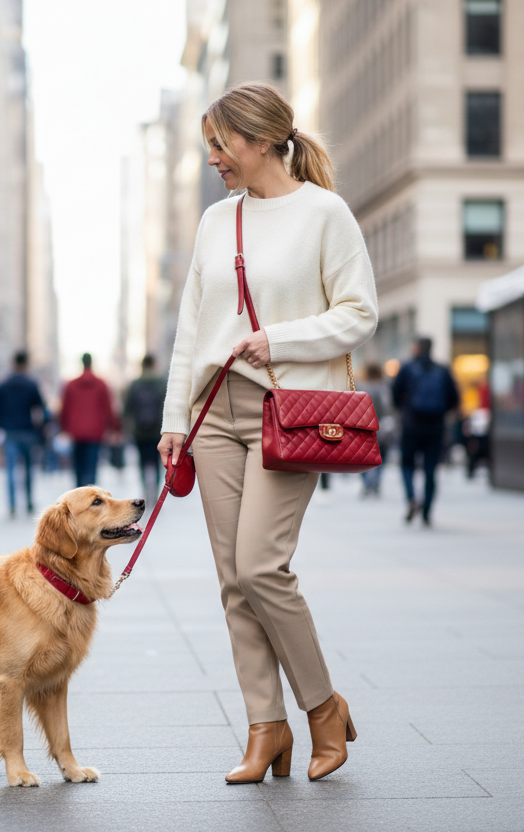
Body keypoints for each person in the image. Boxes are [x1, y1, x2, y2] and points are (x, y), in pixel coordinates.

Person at [158, 83, 377, 784]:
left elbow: (358, 312)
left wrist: (275, 340)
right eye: (210, 146)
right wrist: (174, 422)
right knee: (232, 581)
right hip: (213, 414)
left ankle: (322, 708)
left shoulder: (325, 214)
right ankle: (266, 728)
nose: (214, 157)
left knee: (259, 566)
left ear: (260, 141)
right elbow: (192, 327)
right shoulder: (217, 221)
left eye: (222, 144)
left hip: (290, 413)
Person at [391, 337, 459, 526]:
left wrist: (405, 410)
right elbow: (454, 399)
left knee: (407, 465)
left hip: (411, 425)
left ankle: (412, 498)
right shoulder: (442, 369)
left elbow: (395, 394)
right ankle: (427, 510)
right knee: (431, 468)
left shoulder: (406, 367)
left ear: (417, 347)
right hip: (435, 426)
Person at [0, 351, 48, 517]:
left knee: (10, 469)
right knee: (29, 469)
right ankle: (29, 502)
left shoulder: (3, 385)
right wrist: (40, 427)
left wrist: (1, 424)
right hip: (28, 431)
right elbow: (40, 408)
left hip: (10, 431)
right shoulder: (31, 384)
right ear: (26, 364)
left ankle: (12, 505)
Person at [61, 353, 119, 487]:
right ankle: (91, 501)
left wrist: (64, 428)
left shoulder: (71, 385)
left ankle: (79, 499)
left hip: (75, 432)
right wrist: (114, 428)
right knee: (91, 468)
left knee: (78, 469)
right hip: (95, 432)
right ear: (91, 363)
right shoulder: (101, 384)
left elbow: (64, 409)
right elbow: (109, 408)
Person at [124, 355, 166, 507]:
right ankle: (154, 492)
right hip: (158, 431)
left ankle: (144, 489)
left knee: (142, 461)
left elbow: (128, 408)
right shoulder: (161, 383)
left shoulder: (135, 384)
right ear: (153, 364)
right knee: (157, 462)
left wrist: (127, 427)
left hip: (139, 431)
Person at [358, 363, 394, 497]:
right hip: (380, 427)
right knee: (380, 457)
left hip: (362, 427)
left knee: (361, 457)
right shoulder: (384, 387)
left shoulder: (360, 386)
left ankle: (367, 483)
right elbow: (388, 408)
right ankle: (376, 482)